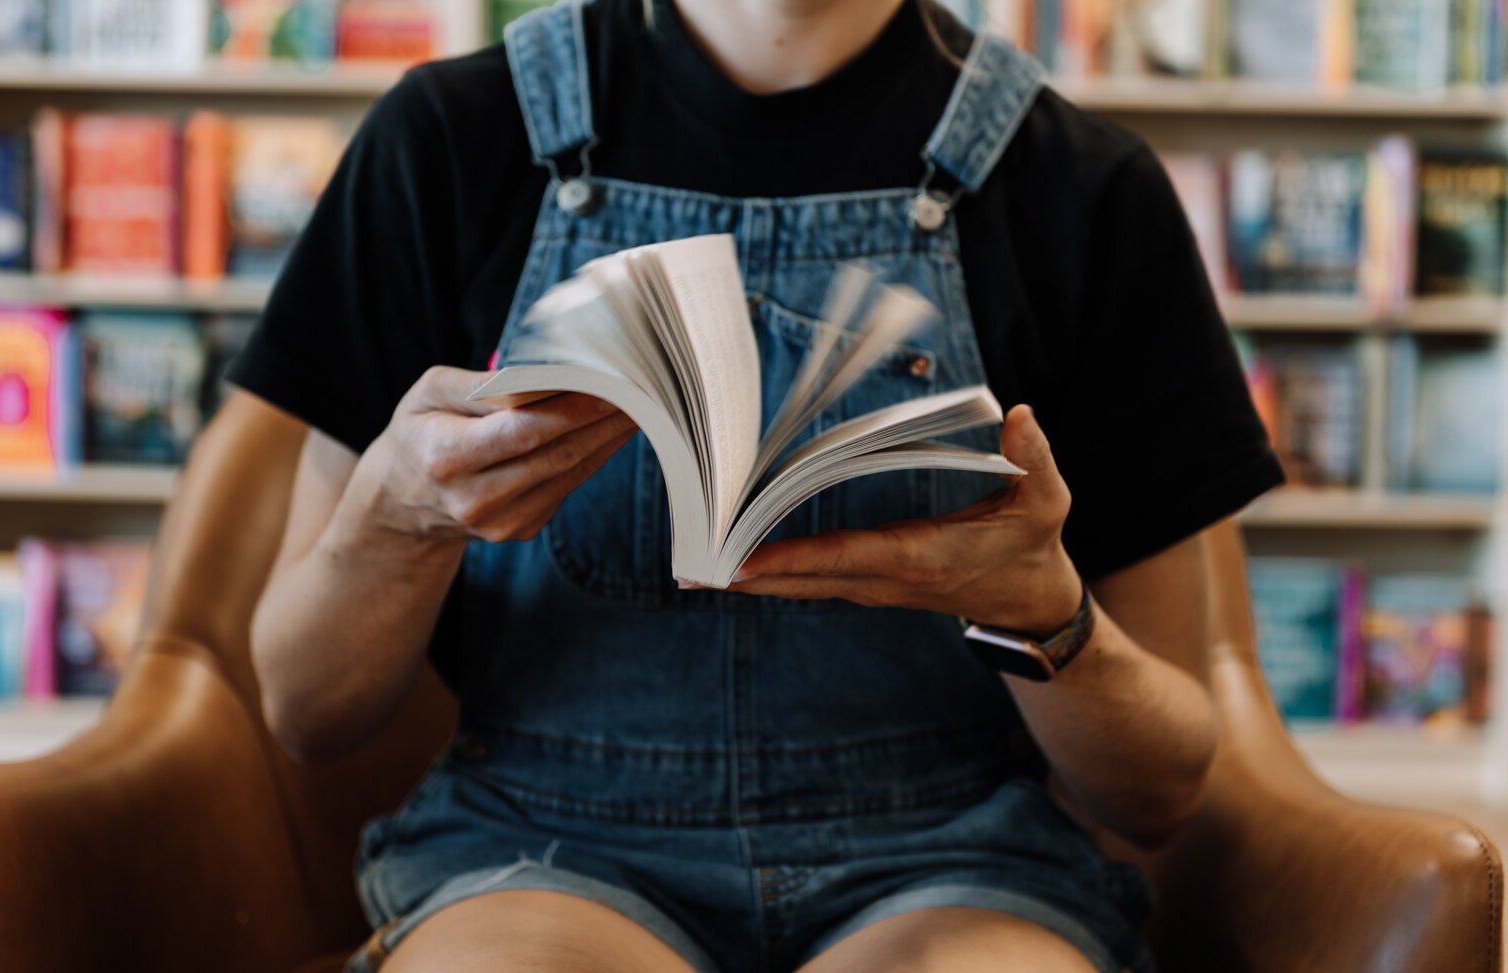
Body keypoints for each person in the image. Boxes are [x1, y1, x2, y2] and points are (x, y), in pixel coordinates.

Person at [234, 0, 1285, 969]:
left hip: (953, 867)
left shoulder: (1084, 187)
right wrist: (398, 518)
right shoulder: (446, 139)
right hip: (541, 852)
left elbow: (1159, 788)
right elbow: (304, 707)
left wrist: (1043, 614)